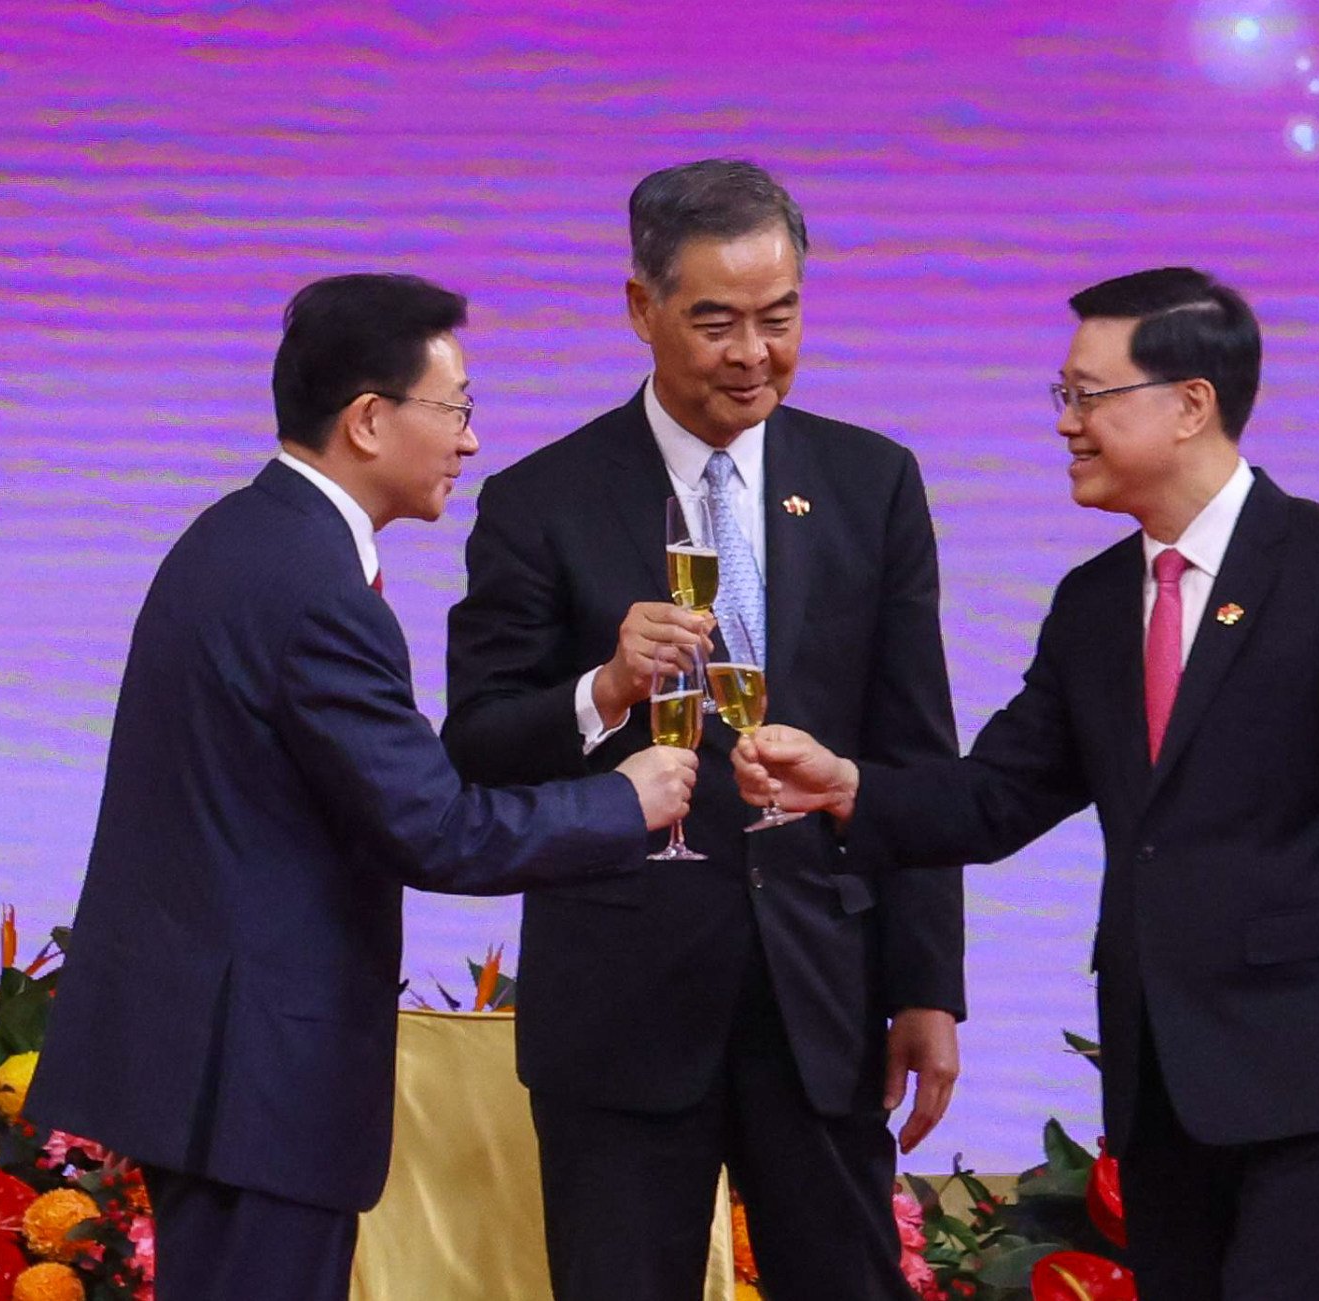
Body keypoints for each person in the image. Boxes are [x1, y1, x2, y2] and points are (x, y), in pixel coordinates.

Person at [735, 267, 1319, 1301]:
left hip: (1313, 1082)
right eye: (1063, 395)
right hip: (1160, 1079)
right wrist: (848, 783)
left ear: (1190, 404)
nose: (1065, 423)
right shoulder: (1092, 603)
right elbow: (996, 795)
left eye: (1089, 395)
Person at [25, 273, 698, 1301]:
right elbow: (433, 826)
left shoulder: (244, 536)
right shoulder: (313, 588)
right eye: (456, 408)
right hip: (254, 1083)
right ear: (370, 420)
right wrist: (626, 800)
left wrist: (600, 695)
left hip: (216, 1069)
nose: (471, 441)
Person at [442, 159, 965, 1301]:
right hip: (621, 1010)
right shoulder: (542, 501)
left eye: (780, 318)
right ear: (641, 308)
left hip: (822, 993)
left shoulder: (871, 482)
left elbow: (915, 751)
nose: (753, 354)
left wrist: (928, 983)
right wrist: (602, 690)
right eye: (716, 322)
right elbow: (475, 743)